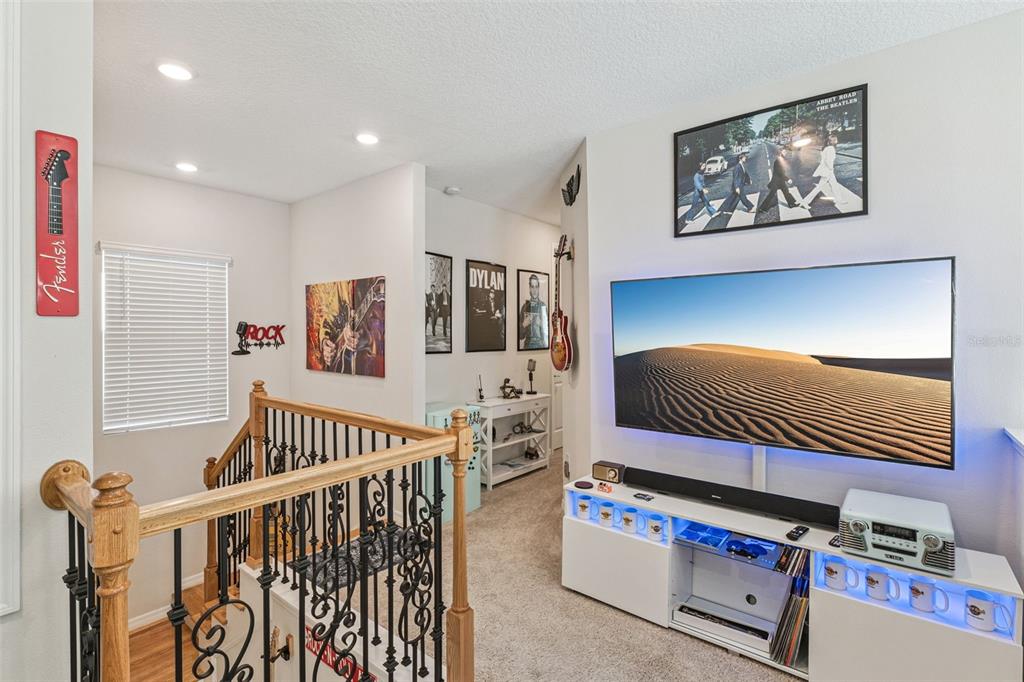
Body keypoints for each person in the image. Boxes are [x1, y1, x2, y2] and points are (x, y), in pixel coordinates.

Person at [756, 145, 808, 213]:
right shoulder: (778, 161)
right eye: (784, 151)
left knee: (786, 192)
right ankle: (762, 208)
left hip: (780, 181)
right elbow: (780, 173)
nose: (785, 153)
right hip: (776, 182)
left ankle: (791, 203)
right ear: (780, 152)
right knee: (771, 195)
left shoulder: (781, 159)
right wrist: (788, 179)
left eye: (785, 151)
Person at [802, 134, 847, 207]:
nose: (837, 141)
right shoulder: (831, 149)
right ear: (832, 141)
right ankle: (805, 202)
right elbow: (828, 161)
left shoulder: (826, 148)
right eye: (835, 140)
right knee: (819, 187)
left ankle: (839, 200)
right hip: (828, 171)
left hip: (827, 170)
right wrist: (831, 169)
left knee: (834, 185)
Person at [677, 161, 717, 231]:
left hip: (701, 192)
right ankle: (688, 219)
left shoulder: (701, 173)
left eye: (705, 165)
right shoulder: (696, 175)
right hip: (697, 192)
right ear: (699, 167)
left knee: (706, 202)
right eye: (703, 166)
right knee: (694, 206)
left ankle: (713, 213)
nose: (705, 167)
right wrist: (703, 189)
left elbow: (702, 182)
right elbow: (697, 184)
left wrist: (704, 187)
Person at [519, 273, 549, 349]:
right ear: (529, 288)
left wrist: (541, 324)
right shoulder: (524, 307)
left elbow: (549, 333)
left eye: (536, 287)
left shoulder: (543, 306)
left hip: (541, 346)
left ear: (538, 288)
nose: (534, 290)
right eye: (532, 287)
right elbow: (520, 336)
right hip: (527, 346)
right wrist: (523, 325)